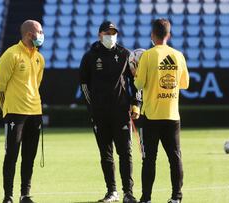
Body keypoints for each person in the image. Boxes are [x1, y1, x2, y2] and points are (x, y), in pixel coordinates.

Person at [79, 21, 141, 203]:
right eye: (108, 32)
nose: (111, 35)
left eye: (114, 32)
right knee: (106, 154)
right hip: (99, 115)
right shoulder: (90, 56)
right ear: (100, 34)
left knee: (125, 152)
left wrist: (136, 103)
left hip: (121, 113)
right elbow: (84, 85)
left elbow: (135, 82)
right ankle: (112, 192)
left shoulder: (124, 54)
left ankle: (128, 193)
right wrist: (92, 108)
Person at [134, 18, 189, 203]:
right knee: (175, 158)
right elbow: (184, 84)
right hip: (172, 115)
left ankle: (146, 199)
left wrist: (136, 73)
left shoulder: (148, 56)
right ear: (168, 35)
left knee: (149, 160)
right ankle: (176, 198)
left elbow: (139, 84)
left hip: (150, 116)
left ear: (152, 35)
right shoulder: (178, 55)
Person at [0, 19, 45, 203]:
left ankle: (25, 195)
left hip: (35, 113)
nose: (42, 35)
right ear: (30, 34)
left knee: (29, 156)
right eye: (40, 31)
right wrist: (7, 110)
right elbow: (0, 87)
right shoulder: (11, 55)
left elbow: (36, 85)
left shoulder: (40, 58)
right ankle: (8, 196)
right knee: (11, 155)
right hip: (15, 113)